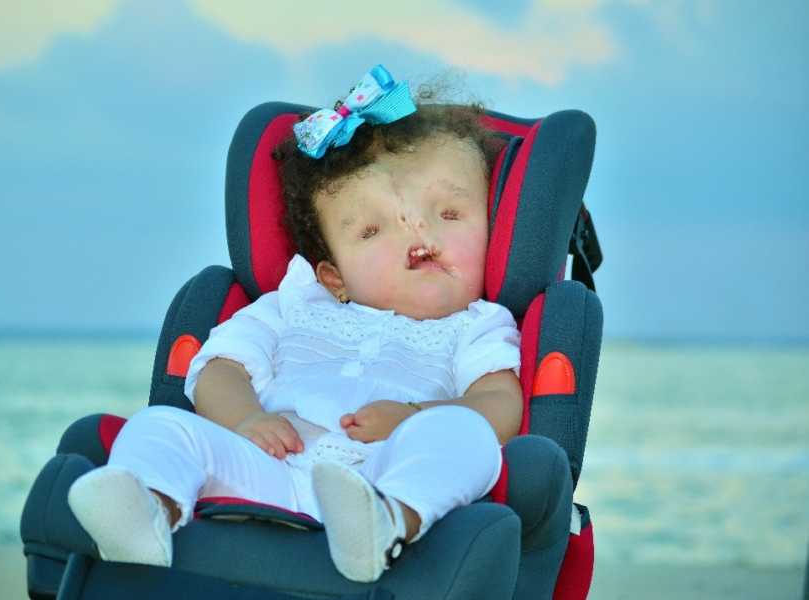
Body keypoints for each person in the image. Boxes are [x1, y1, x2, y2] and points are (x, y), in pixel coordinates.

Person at [68, 65, 571, 592]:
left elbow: (501, 404)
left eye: (448, 212)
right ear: (332, 275)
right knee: (160, 427)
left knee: (465, 435)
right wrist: (246, 421)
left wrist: (416, 417)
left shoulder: (478, 325)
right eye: (374, 229)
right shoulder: (291, 307)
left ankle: (389, 521)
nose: (418, 229)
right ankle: (150, 510)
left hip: (382, 470)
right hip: (268, 465)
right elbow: (219, 370)